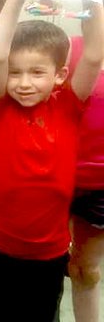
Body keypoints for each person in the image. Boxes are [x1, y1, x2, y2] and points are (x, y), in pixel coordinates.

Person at [0, 0, 104, 321]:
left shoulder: (69, 105)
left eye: (36, 72)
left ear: (59, 75)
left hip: (47, 253)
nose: (23, 83)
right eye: (16, 73)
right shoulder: (0, 106)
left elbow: (94, 54)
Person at [68, 20, 104, 322]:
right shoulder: (70, 47)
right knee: (43, 262)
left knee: (86, 269)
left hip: (100, 186)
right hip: (54, 173)